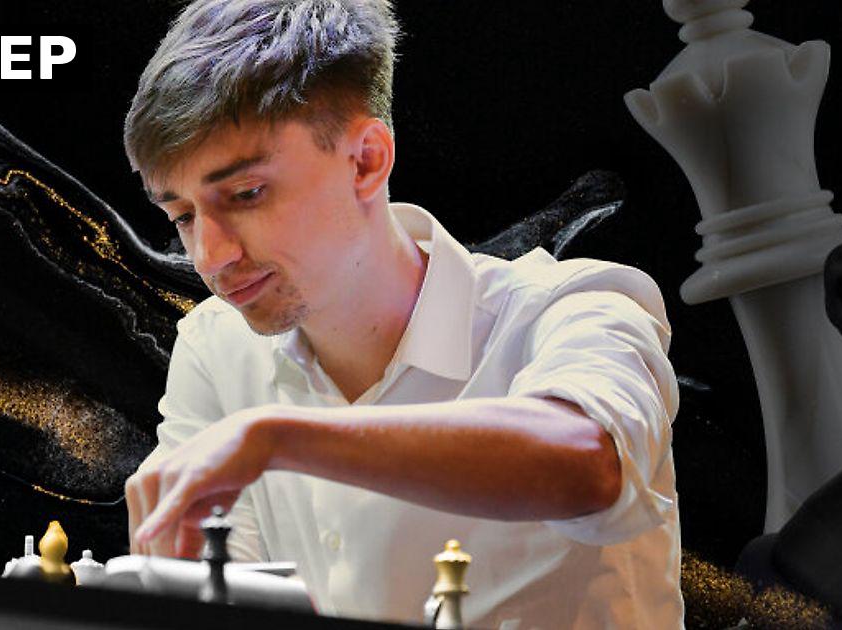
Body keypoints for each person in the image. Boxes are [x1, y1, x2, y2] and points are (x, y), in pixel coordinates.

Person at [121, 1, 683, 627]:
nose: (210, 256)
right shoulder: (215, 347)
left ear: (366, 161)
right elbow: (221, 579)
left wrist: (278, 440)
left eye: (247, 194)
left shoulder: (575, 305)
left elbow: (589, 465)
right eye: (183, 216)